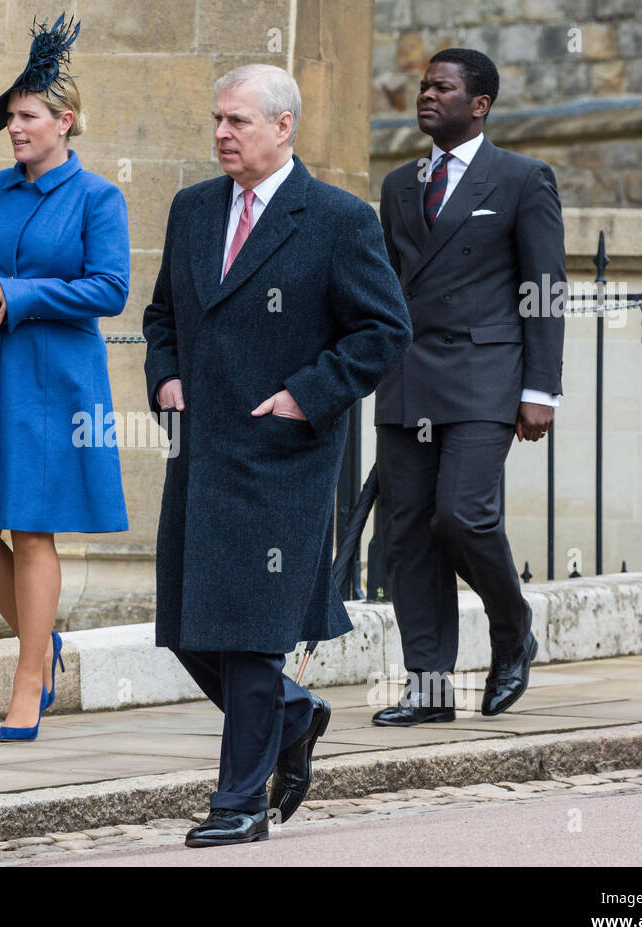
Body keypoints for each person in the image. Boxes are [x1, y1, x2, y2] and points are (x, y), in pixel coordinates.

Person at [143, 64, 412, 847]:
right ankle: (298, 717)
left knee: (254, 636)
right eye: (218, 121)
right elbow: (162, 315)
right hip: (201, 456)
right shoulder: (193, 210)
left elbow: (382, 331)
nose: (222, 134)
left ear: (283, 125)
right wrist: (165, 378)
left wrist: (307, 394)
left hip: (283, 459)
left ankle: (240, 802)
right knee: (191, 630)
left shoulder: (336, 219)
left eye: (239, 122)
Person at [0, 14, 129, 741]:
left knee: (32, 530)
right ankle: (43, 646)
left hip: (51, 381)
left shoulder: (98, 198)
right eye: (10, 116)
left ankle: (27, 675)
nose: (15, 127)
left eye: (28, 115)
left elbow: (110, 288)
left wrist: (24, 294)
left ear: (65, 122)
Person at [372, 48, 566, 727]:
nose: (427, 95)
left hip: (486, 378)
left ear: (478, 104)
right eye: (424, 85)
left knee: (462, 515)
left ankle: (512, 630)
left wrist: (541, 388)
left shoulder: (521, 178)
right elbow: (388, 287)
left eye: (442, 87)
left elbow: (543, 290)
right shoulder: (398, 185)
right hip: (406, 378)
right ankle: (428, 689)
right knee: (407, 537)